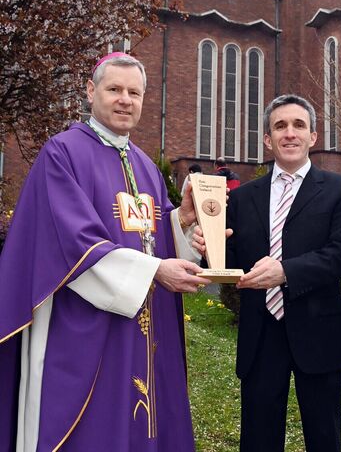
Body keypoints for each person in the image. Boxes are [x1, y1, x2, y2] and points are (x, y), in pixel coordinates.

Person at [0, 52, 209, 451]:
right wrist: (153, 272)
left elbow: (150, 235)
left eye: (134, 92)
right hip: (83, 325)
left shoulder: (144, 164)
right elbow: (71, 239)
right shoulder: (62, 154)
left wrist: (180, 222)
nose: (125, 100)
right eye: (114, 89)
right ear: (91, 91)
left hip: (142, 327)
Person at [223, 94, 341, 452]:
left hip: (319, 330)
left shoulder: (340, 190)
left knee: (324, 437)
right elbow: (226, 261)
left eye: (299, 125)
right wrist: (208, 246)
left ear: (313, 136)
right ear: (268, 139)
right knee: (258, 437)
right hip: (261, 332)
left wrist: (285, 271)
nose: (290, 133)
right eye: (280, 126)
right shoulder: (242, 197)